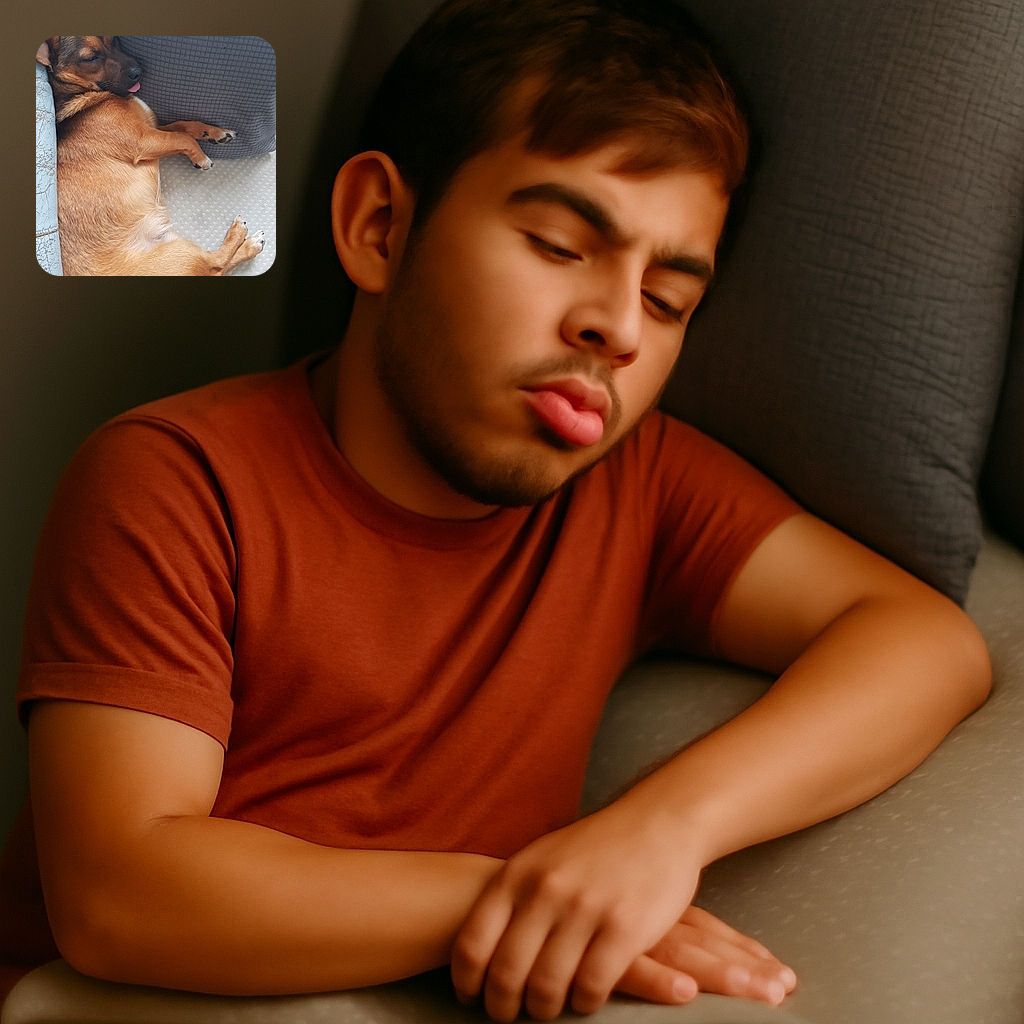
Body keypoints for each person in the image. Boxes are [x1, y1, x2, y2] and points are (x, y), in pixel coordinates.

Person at [1, 0, 991, 1020]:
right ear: (380, 227)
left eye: (667, 300)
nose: (614, 324)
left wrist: (654, 833)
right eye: (560, 244)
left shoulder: (637, 485)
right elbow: (118, 897)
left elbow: (925, 642)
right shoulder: (173, 478)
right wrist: (533, 896)